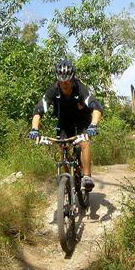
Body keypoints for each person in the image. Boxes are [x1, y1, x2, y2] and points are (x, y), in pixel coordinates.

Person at [29, 59, 103, 191]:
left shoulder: (80, 88)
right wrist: (35, 129)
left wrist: (93, 125)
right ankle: (69, 179)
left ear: (73, 78)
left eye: (67, 80)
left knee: (84, 142)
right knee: (62, 147)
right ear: (57, 79)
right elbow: (39, 110)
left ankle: (86, 176)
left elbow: (96, 107)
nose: (65, 84)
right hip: (64, 120)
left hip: (82, 119)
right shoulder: (53, 90)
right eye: (61, 81)